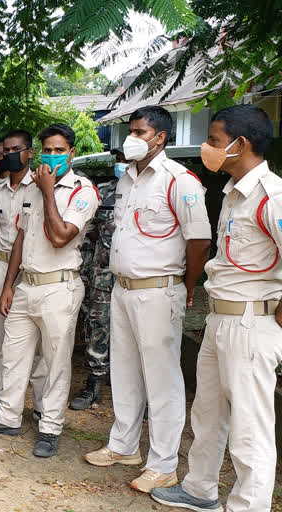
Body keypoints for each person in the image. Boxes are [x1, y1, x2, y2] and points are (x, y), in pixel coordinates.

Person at [150, 105, 280, 512]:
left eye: (214, 140)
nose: (207, 148)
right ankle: (199, 488)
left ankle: (248, 506)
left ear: (240, 144)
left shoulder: (272, 196)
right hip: (220, 318)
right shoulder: (233, 193)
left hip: (250, 323)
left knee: (249, 430)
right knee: (207, 413)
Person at [84, 106, 211, 493]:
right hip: (123, 289)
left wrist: (187, 286)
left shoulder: (179, 181)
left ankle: (163, 464)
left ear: (160, 137)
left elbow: (200, 241)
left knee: (162, 381)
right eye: (131, 131)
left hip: (159, 290)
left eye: (139, 132)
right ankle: (124, 446)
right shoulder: (129, 180)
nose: (132, 138)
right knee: (123, 371)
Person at [0, 124, 99, 460]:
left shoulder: (82, 190)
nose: (51, 156)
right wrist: (8, 286)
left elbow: (60, 236)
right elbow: (20, 239)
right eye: (47, 150)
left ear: (71, 152)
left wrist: (49, 190)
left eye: (59, 150)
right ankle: (7, 417)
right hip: (26, 285)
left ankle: (50, 427)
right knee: (12, 355)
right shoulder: (30, 190)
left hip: (60, 287)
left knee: (55, 363)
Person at [0, 130, 47, 421]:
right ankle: (5, 400)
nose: (10, 155)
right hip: (2, 266)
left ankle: (41, 405)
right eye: (5, 151)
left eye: (17, 149)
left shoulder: (42, 187)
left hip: (33, 270)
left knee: (39, 341)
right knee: (3, 336)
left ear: (30, 152)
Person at [70, 148, 126, 410]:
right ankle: (95, 383)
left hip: (139, 277)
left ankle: (145, 395)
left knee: (139, 334)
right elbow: (85, 230)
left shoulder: (158, 190)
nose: (123, 163)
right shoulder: (102, 191)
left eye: (128, 159)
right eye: (121, 159)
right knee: (97, 325)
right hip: (102, 275)